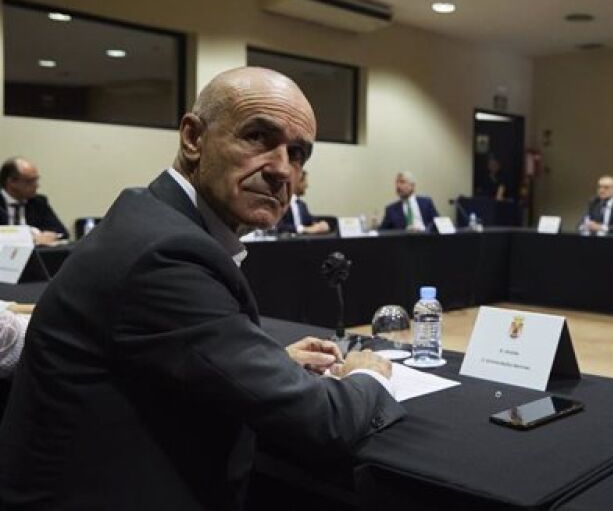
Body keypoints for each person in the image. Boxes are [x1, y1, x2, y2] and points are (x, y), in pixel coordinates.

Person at [0, 67, 404, 510]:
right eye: (257, 137)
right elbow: (322, 422)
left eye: (297, 153)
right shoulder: (165, 253)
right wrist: (368, 374)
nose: (281, 169)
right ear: (193, 138)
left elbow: (164, 361)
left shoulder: (150, 215)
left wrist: (273, 363)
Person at [0, 157, 68, 245]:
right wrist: (31, 238)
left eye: (36, 180)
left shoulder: (38, 202)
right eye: (30, 181)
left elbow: (62, 232)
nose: (36, 185)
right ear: (11, 182)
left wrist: (47, 236)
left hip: (36, 253)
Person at [276, 169, 331, 234]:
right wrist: (304, 229)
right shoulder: (280, 204)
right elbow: (278, 227)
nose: (307, 185)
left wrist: (319, 225)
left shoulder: (302, 205)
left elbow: (310, 221)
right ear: (296, 182)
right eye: (305, 181)